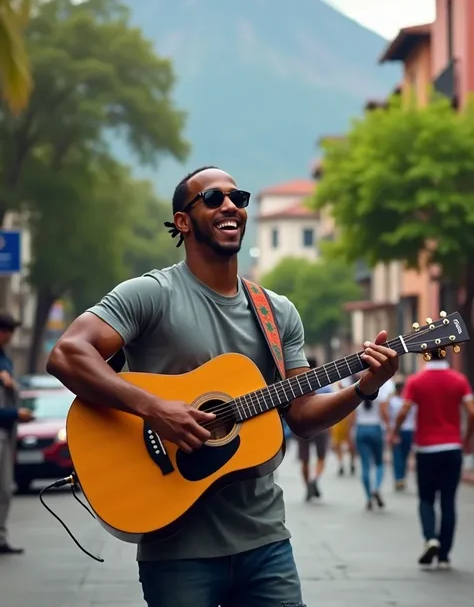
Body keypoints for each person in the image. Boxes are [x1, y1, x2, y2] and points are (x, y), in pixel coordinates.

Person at [46, 166, 399, 607]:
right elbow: (67, 354)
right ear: (182, 221)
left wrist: (364, 387)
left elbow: (303, 416)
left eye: (239, 197)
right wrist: (156, 410)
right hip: (175, 545)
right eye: (213, 198)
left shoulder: (277, 312)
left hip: (264, 540)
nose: (230, 205)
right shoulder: (150, 294)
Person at [390, 356, 474, 570]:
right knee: (448, 501)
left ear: (425, 355)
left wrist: (395, 432)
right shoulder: (459, 379)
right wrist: (466, 439)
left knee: (426, 498)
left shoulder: (416, 381)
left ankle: (431, 539)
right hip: (452, 448)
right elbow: (471, 412)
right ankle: (444, 555)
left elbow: (404, 411)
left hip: (426, 449)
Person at [0, 311, 34, 555]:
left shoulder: (6, 358)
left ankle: (0, 537)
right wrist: (14, 415)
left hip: (6, 433)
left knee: (4, 490)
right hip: (3, 427)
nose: (10, 336)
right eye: (8, 331)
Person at [354, 374, 394, 510]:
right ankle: (376, 488)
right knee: (379, 463)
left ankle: (368, 497)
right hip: (376, 428)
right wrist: (389, 429)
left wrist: (350, 434)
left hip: (361, 428)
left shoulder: (356, 390)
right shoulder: (380, 390)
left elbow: (351, 416)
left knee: (365, 466)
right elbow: (384, 412)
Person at [297, 356, 332, 501]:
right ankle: (314, 479)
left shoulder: (299, 384)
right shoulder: (324, 383)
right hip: (322, 426)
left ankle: (307, 487)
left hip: (302, 424)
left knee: (304, 460)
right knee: (321, 457)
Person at [387, 374, 416, 490]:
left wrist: (391, 432)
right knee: (404, 455)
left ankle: (398, 478)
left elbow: (389, 416)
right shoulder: (409, 401)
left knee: (397, 456)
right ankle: (402, 477)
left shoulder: (392, 401)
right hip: (409, 430)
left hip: (397, 430)